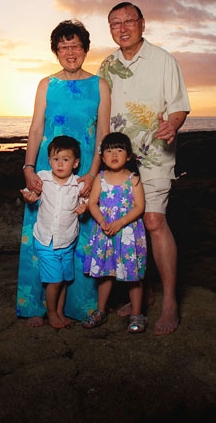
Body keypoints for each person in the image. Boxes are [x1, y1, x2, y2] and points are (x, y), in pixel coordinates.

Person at [98, 2, 190, 335]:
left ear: (142, 23)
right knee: (130, 226)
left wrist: (172, 125)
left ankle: (170, 303)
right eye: (115, 23)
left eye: (129, 21)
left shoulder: (164, 60)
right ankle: (144, 292)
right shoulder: (107, 65)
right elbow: (102, 112)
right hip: (118, 158)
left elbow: (179, 107)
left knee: (153, 221)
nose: (122, 28)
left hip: (154, 154)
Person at [17, 20, 111, 326]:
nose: (70, 52)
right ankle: (35, 307)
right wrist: (29, 168)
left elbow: (103, 133)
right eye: (63, 47)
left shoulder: (100, 85)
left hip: (84, 171)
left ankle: (78, 306)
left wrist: (93, 174)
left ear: (85, 49)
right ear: (56, 51)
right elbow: (36, 129)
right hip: (49, 169)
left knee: (82, 236)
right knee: (41, 235)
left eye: (75, 46)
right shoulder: (46, 84)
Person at [82, 132, 147, 333]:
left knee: (132, 275)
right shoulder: (100, 178)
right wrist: (102, 221)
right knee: (105, 273)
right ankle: (100, 311)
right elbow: (92, 203)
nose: (114, 154)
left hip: (128, 233)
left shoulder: (133, 179)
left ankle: (137, 314)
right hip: (105, 233)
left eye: (119, 150)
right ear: (102, 157)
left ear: (128, 156)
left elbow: (139, 207)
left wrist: (120, 222)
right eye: (109, 151)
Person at [20, 135, 87, 329]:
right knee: (55, 280)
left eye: (65, 159)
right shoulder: (43, 177)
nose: (60, 164)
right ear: (49, 160)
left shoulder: (78, 184)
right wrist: (28, 197)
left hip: (67, 240)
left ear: (75, 163)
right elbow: (30, 192)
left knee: (64, 280)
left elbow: (86, 202)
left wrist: (85, 207)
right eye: (56, 159)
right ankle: (51, 314)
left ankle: (59, 312)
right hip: (46, 240)